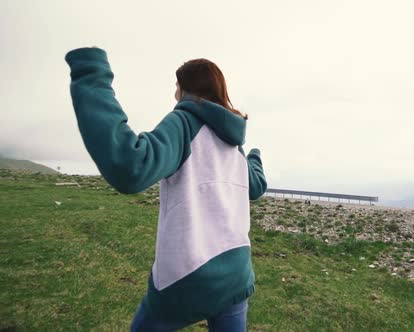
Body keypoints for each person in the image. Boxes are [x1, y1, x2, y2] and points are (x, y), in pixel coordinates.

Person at [65, 47, 267, 331]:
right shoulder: (234, 144)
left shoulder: (183, 123)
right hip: (237, 274)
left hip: (186, 279)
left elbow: (130, 166)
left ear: (185, 87)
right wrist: (254, 155)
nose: (174, 91)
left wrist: (90, 74)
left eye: (176, 84)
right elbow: (256, 186)